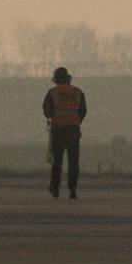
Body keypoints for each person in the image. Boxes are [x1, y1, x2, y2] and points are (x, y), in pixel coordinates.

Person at [42, 65, 87, 199]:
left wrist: (55, 118)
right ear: (68, 78)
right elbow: (83, 111)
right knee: (73, 162)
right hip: (73, 131)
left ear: (56, 79)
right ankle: (72, 189)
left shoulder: (52, 93)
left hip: (58, 131)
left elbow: (47, 111)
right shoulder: (78, 92)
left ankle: (55, 188)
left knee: (57, 161)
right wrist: (75, 121)